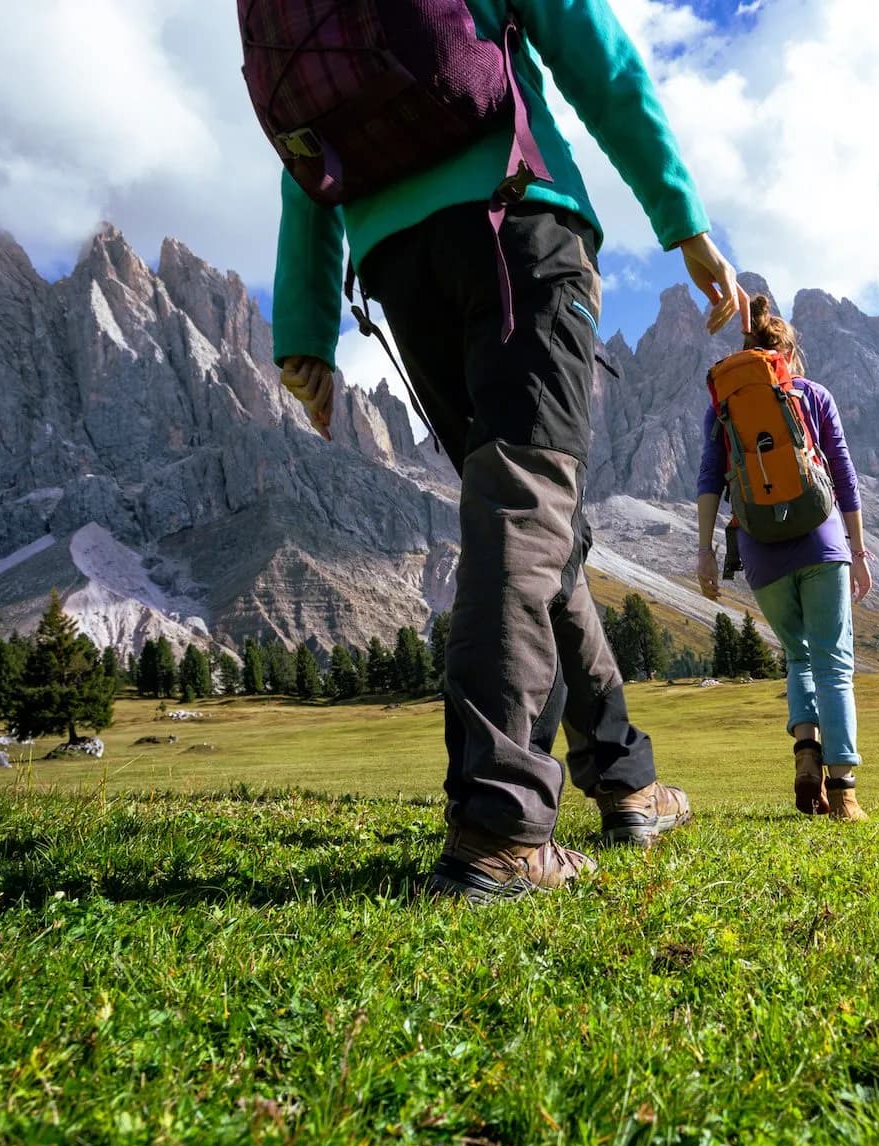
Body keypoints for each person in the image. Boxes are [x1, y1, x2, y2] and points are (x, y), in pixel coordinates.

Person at [266, 0, 744, 902]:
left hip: (397, 265)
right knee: (525, 507)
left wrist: (305, 320)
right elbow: (596, 54)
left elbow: (307, 138)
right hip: (515, 221)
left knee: (535, 524)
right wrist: (682, 215)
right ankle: (498, 827)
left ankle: (625, 779)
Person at [696, 297, 871, 821]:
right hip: (821, 542)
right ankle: (843, 792)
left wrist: (705, 551)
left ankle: (805, 755)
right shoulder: (814, 396)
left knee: (799, 657)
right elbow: (843, 475)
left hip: (759, 550)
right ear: (788, 353)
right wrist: (858, 550)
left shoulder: (722, 408)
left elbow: (710, 480)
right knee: (833, 663)